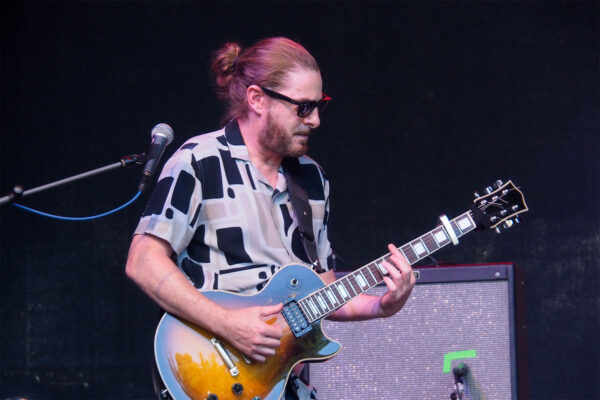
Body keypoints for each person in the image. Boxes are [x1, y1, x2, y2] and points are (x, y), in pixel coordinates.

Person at [125, 37, 416, 399]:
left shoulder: (312, 180)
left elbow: (321, 290)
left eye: (320, 105)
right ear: (257, 99)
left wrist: (381, 305)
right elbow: (142, 262)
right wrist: (228, 324)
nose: (315, 120)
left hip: (283, 384)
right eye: (303, 107)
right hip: (211, 372)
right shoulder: (199, 161)